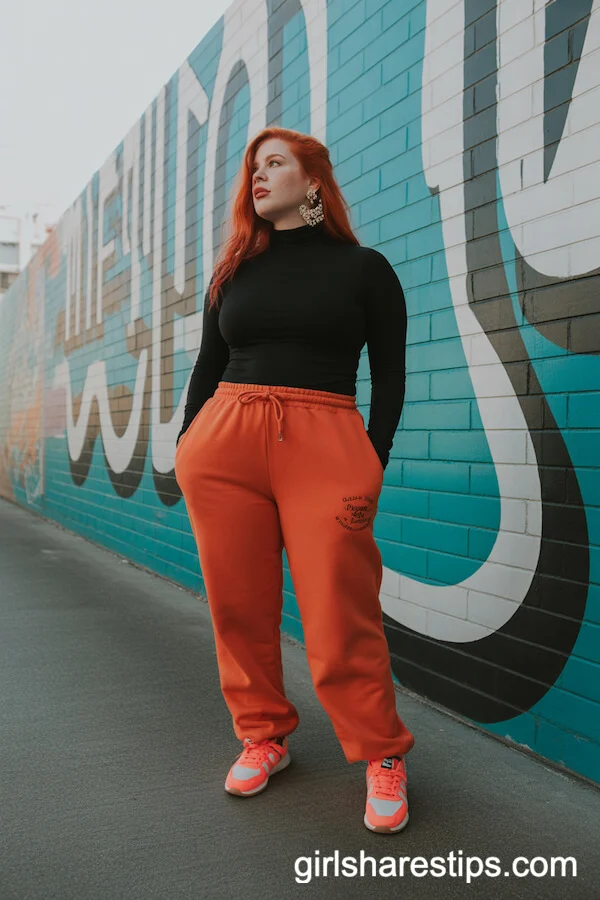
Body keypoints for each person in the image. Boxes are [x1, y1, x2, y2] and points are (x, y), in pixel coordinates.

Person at [174, 126, 415, 834]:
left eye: (274, 163)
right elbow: (207, 364)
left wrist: (372, 457)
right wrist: (188, 444)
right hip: (226, 443)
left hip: (327, 440)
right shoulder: (233, 269)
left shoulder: (365, 269)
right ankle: (263, 735)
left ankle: (381, 751)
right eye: (253, 165)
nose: (257, 174)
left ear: (313, 182)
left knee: (341, 611)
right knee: (238, 607)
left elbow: (391, 374)